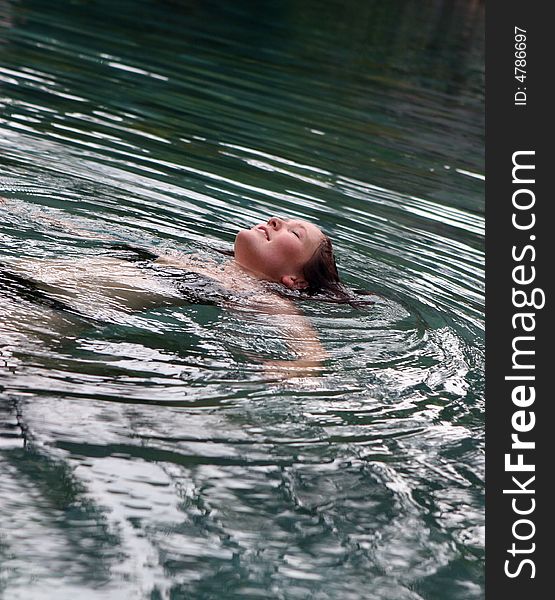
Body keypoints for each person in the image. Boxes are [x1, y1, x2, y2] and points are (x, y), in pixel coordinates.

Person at [1, 199, 363, 376]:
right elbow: (93, 234)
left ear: (295, 280)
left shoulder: (255, 293)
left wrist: (300, 367)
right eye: (283, 220)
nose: (275, 220)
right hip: (14, 281)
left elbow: (306, 342)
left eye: (293, 233)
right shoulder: (193, 259)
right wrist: (26, 212)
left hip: (29, 317)